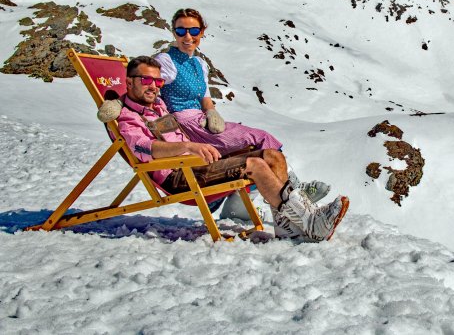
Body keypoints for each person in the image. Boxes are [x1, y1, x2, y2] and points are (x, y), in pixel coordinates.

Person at [99, 7, 331, 204]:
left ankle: (239, 203)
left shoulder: (199, 63)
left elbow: (200, 93)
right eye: (181, 30)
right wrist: (117, 104)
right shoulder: (166, 62)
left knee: (251, 150)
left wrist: (211, 111)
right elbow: (143, 84)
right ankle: (296, 193)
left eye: (193, 30)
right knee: (258, 139)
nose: (187, 36)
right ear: (174, 32)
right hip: (185, 125)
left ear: (202, 33)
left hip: (200, 122)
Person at [116, 56, 349, 241]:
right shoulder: (128, 117)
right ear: (129, 82)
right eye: (146, 80)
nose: (154, 87)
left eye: (158, 81)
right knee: (255, 165)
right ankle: (312, 223)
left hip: (198, 167)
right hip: (180, 175)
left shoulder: (158, 105)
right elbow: (143, 147)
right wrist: (187, 145)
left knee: (272, 156)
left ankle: (288, 228)